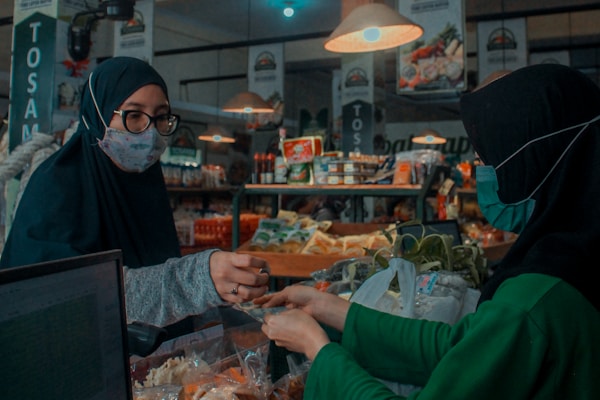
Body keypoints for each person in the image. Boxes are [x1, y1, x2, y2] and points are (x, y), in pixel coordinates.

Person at [257, 63, 600, 399]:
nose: (482, 174)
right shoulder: (573, 261)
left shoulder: (530, 303)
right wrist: (330, 308)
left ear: (535, 165)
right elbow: (460, 348)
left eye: (485, 161)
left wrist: (318, 350)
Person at [0, 56, 270, 331]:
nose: (150, 132)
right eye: (134, 115)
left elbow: (158, 285)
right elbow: (69, 297)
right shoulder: (55, 186)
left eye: (161, 117)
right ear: (98, 115)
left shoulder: (145, 184)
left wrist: (229, 311)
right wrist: (198, 280)